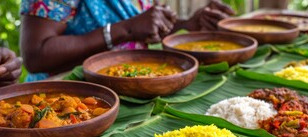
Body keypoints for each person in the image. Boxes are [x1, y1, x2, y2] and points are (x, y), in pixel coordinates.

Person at [20, 0, 234, 82]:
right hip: (66, 101)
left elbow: (145, 27)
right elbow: (36, 55)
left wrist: (188, 24)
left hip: (130, 90)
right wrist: (125, 29)